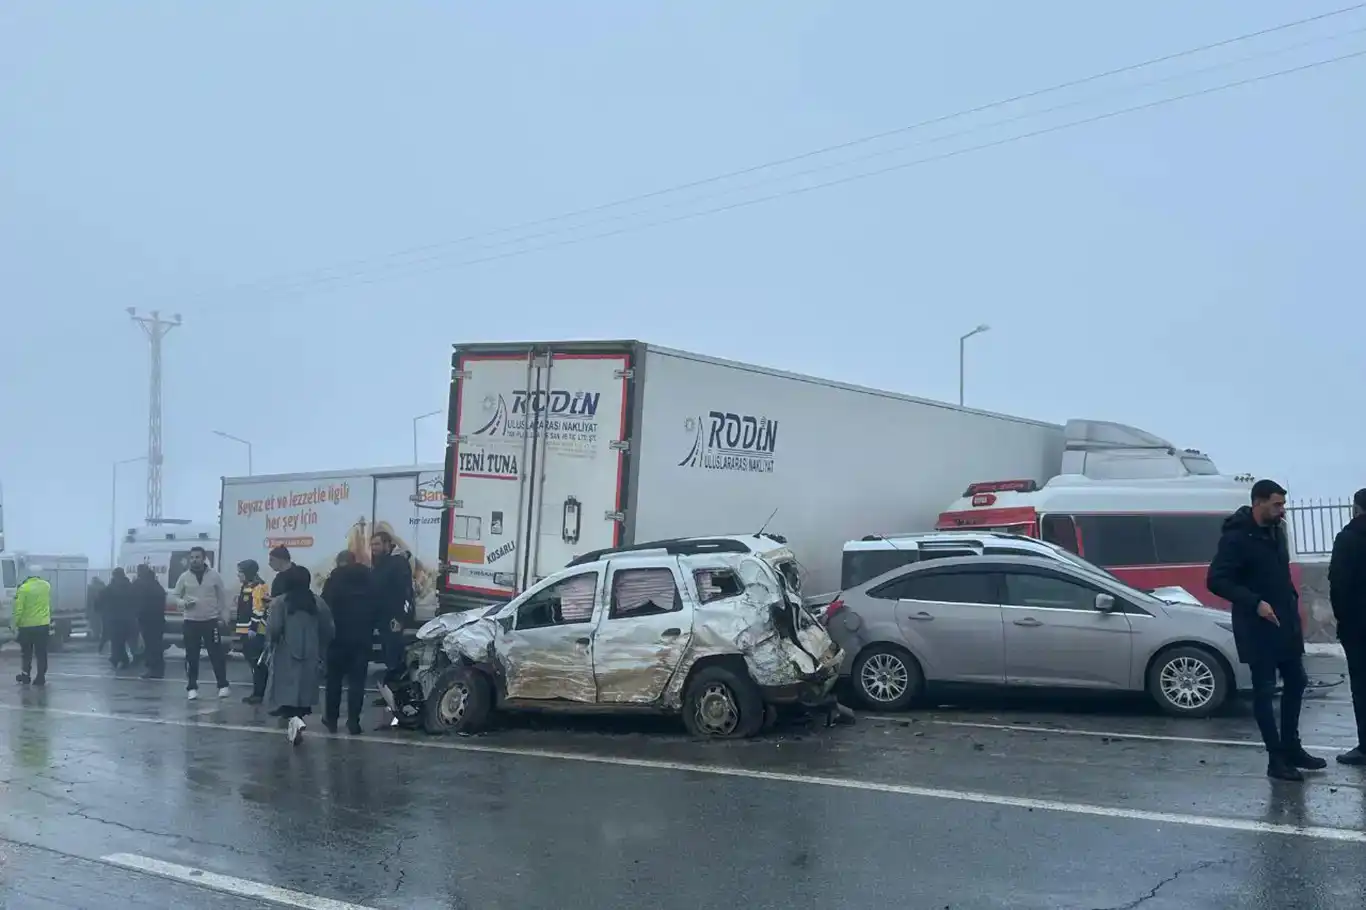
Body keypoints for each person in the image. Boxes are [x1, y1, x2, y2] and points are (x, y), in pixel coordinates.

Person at [1208, 479, 1327, 781]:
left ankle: (1292, 748)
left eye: (1283, 504)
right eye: (1276, 504)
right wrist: (1254, 602)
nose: (1282, 510)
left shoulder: (1276, 531)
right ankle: (1276, 760)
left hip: (1284, 623)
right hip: (1256, 626)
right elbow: (1217, 580)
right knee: (1264, 690)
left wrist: (1291, 603)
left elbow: (1280, 575)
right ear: (1258, 502)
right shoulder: (1236, 538)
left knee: (1297, 681)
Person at [265, 562, 334, 744]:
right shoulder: (318, 602)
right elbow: (329, 629)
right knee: (303, 694)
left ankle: (295, 723)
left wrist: (271, 643)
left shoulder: (281, 602)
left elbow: (273, 629)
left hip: (286, 653)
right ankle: (297, 722)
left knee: (287, 694)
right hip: (311, 653)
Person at [1329, 487, 1366, 766]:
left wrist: (1344, 619)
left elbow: (1338, 585)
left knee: (1363, 687)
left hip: (1358, 628)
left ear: (1356, 509)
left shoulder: (1349, 539)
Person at [321, 550, 375, 735]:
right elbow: (378, 604)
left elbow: (324, 605)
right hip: (362, 637)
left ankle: (332, 719)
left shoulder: (334, 579)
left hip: (338, 637)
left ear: (339, 562)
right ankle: (353, 721)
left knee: (334, 681)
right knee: (357, 682)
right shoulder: (368, 577)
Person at [169, 545, 232, 700]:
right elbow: (175, 595)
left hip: (210, 621)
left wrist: (224, 616)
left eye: (197, 557)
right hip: (191, 621)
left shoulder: (214, 576)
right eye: (192, 557)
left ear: (204, 558)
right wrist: (183, 603)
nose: (194, 560)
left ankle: (223, 685)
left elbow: (222, 597)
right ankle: (192, 687)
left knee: (216, 654)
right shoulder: (184, 577)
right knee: (192, 655)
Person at [370, 530, 414, 709]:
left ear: (388, 545)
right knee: (389, 656)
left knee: (395, 657)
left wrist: (400, 618)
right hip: (383, 617)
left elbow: (405, 592)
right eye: (372, 545)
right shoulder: (381, 563)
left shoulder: (398, 563)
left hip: (393, 618)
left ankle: (398, 696)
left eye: (377, 544)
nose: (374, 548)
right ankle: (390, 694)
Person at [236, 560, 270, 705]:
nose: (238, 575)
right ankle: (257, 692)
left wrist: (253, 628)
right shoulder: (247, 586)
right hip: (245, 629)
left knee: (258, 664)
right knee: (253, 663)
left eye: (240, 572)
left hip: (254, 632)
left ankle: (259, 694)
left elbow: (259, 609)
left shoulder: (258, 587)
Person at [12, 574, 52, 686]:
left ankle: (26, 675)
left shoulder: (23, 589)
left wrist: (14, 624)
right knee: (41, 653)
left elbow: (19, 609)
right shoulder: (46, 586)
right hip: (43, 625)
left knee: (26, 653)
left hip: (27, 626)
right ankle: (41, 676)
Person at [132, 564, 167, 679]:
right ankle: (157, 669)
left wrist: (138, 615)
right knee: (156, 645)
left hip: (149, 620)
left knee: (151, 646)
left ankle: (154, 669)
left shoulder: (144, 585)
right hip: (157, 619)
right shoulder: (156, 585)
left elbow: (141, 603)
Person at [100, 568, 137, 670]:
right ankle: (120, 659)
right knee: (122, 641)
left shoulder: (112, 587)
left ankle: (118, 659)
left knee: (117, 641)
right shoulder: (130, 586)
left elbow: (101, 598)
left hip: (115, 619)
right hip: (128, 619)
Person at [86, 576, 106, 652]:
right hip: (102, 610)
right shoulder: (103, 587)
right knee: (100, 624)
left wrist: (88, 610)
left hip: (94, 609)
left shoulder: (91, 588)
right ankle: (100, 636)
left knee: (95, 624)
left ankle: (96, 636)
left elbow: (89, 600)